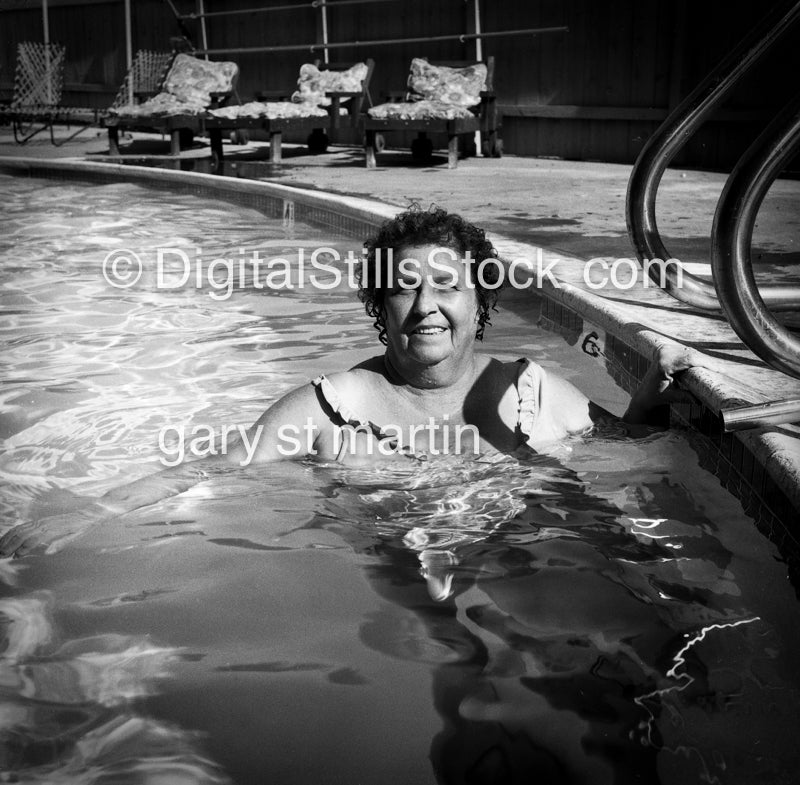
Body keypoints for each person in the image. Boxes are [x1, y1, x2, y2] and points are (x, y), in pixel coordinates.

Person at [0, 206, 698, 557]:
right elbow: (213, 465)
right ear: (378, 306)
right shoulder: (328, 410)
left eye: (447, 287)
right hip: (403, 586)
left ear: (480, 303)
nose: (426, 308)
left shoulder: (533, 390)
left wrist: (650, 399)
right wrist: (92, 511)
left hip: (532, 562)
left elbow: (632, 448)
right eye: (403, 290)